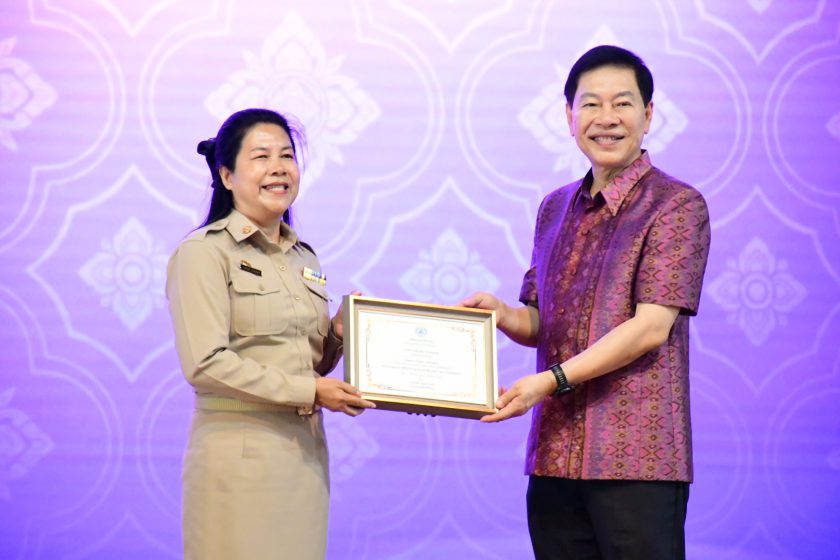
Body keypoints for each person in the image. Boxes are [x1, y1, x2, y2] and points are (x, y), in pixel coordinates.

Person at [461, 45, 711, 560]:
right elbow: (542, 322)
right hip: (554, 456)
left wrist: (549, 381)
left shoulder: (676, 205)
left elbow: (651, 327)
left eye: (622, 103)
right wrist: (502, 315)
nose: (606, 118)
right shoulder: (554, 207)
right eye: (591, 104)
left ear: (648, 115)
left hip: (637, 462)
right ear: (569, 117)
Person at [166, 108, 375, 560]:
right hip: (237, 459)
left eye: (287, 156)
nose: (278, 168)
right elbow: (205, 364)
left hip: (304, 456)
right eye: (261, 157)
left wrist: (337, 336)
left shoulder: (304, 257)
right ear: (226, 175)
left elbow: (307, 363)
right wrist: (312, 391)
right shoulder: (203, 253)